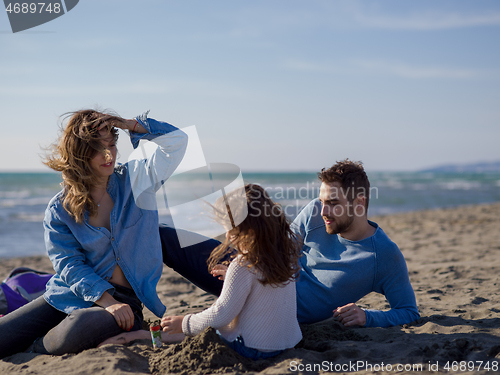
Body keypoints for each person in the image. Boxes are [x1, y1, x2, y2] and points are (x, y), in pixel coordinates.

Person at [0, 109, 187, 358]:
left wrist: (128, 124)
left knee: (76, 330)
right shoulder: (59, 209)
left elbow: (177, 142)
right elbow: (68, 264)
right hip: (67, 294)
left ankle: (36, 346)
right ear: (80, 153)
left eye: (111, 144)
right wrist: (108, 302)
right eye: (98, 148)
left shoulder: (137, 181)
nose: (108, 154)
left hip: (125, 305)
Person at [159, 160, 420, 328]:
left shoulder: (384, 256)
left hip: (272, 304)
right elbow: (277, 249)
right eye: (322, 201)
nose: (323, 210)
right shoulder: (316, 212)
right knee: (165, 235)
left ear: (359, 203)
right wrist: (247, 271)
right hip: (261, 274)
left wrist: (368, 316)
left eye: (333, 203)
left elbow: (408, 311)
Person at [101, 184, 303, 360]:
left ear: (249, 232)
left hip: (254, 350)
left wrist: (185, 322)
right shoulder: (281, 257)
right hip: (287, 345)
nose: (227, 237)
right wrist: (232, 277)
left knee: (205, 331)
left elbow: (220, 315)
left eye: (231, 232)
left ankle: (141, 336)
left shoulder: (242, 265)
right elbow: (261, 289)